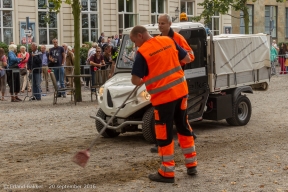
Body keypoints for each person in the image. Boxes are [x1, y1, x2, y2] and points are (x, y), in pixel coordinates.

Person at [130, 26, 197, 183]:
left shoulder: (142, 53)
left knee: (164, 132)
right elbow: (187, 59)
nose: (135, 45)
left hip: (163, 98)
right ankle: (191, 164)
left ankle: (167, 172)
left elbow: (135, 80)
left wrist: (145, 79)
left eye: (135, 42)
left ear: (140, 36)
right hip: (181, 92)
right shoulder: (168, 40)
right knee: (183, 125)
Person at [149, 13, 197, 153]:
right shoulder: (157, 40)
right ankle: (162, 143)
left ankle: (187, 138)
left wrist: (175, 61)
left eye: (162, 23)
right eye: (158, 23)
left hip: (176, 82)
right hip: (163, 84)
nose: (160, 25)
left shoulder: (178, 38)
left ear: (169, 24)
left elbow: (190, 56)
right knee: (166, 117)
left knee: (178, 115)